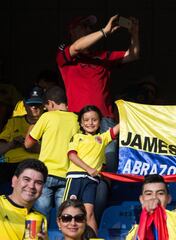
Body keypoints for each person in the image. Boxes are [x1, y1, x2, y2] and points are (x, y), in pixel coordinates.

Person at [56, 14, 140, 223]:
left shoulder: (101, 55)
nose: (86, 31)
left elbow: (133, 55)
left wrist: (135, 33)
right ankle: (77, 218)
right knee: (78, 166)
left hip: (106, 120)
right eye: (83, 27)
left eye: (88, 28)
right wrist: (104, 31)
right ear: (73, 32)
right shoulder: (65, 54)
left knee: (106, 169)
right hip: (79, 122)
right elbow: (76, 47)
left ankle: (94, 218)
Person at [126, 133, 176, 239]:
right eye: (149, 194)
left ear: (169, 198)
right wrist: (145, 216)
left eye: (160, 193)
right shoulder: (134, 231)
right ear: (142, 199)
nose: (154, 198)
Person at [24, 86, 79, 219]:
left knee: (41, 217)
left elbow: (28, 144)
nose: (46, 109)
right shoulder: (77, 119)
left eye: (46, 106)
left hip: (46, 173)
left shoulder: (47, 117)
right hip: (67, 175)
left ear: (51, 103)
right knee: (65, 218)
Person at [63, 105, 119, 233]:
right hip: (75, 178)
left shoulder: (102, 138)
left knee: (89, 213)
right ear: (81, 123)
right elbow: (72, 155)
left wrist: (129, 115)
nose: (90, 123)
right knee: (68, 212)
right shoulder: (77, 137)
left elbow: (116, 129)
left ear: (100, 122)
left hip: (92, 181)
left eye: (94, 119)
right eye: (86, 120)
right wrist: (88, 168)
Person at [0, 86, 44, 194]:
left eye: (38, 104)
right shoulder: (14, 122)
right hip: (12, 166)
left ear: (45, 105)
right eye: (31, 104)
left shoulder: (49, 122)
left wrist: (30, 145)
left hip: (36, 165)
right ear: (24, 104)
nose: (34, 107)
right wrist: (13, 143)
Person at [0, 159, 48, 239]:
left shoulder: (41, 218)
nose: (31, 186)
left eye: (38, 182)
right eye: (26, 179)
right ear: (14, 181)